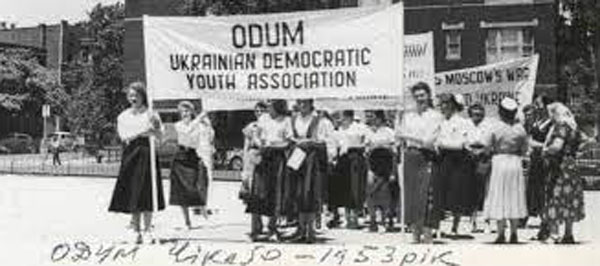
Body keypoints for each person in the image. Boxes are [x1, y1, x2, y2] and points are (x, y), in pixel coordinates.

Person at [108, 82, 165, 244]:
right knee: (134, 191)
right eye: (131, 95)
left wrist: (155, 128)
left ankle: (147, 229)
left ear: (143, 96)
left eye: (136, 95)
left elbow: (160, 137)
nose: (133, 98)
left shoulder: (152, 114)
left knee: (147, 191)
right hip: (131, 155)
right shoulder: (123, 116)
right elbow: (125, 136)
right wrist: (144, 132)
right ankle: (135, 229)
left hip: (147, 154)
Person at [395, 82, 443, 243]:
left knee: (427, 196)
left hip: (427, 157)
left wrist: (407, 136)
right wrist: (398, 117)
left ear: (428, 95)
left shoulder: (435, 116)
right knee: (411, 195)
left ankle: (428, 234)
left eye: (422, 95)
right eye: (416, 96)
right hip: (410, 157)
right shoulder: (408, 116)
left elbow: (428, 141)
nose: (419, 99)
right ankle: (415, 234)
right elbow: (398, 136)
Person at [285, 99, 333, 243]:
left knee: (310, 192)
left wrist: (312, 142)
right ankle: (300, 229)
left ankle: (311, 230)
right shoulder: (293, 119)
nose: (302, 105)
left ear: (311, 103)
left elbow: (328, 141)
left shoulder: (320, 121)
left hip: (312, 159)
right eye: (300, 102)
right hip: (296, 156)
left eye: (305, 102)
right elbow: (288, 136)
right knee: (297, 191)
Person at [482, 97, 529, 244]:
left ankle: (501, 233)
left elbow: (486, 146)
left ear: (501, 111)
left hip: (499, 162)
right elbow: (525, 149)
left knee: (499, 196)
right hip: (515, 162)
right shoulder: (520, 129)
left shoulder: (495, 127)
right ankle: (514, 233)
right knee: (514, 196)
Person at [247, 99, 292, 241]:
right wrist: (260, 143)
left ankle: (272, 228)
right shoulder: (263, 118)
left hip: (278, 157)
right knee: (259, 191)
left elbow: (289, 141)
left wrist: (277, 144)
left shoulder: (286, 120)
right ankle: (256, 228)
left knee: (275, 192)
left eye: (271, 104)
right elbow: (255, 135)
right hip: (263, 155)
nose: (268, 107)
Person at [432, 93, 477, 237]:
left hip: (458, 161)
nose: (442, 107)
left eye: (445, 104)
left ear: (452, 105)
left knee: (456, 193)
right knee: (439, 193)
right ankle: (436, 227)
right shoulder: (440, 122)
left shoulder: (464, 122)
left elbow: (463, 143)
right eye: (441, 104)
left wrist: (443, 143)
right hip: (442, 159)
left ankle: (454, 227)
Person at [541, 102, 585, 244]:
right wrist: (574, 152)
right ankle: (568, 234)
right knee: (570, 199)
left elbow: (557, 146)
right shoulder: (574, 128)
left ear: (555, 114)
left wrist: (545, 150)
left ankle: (554, 234)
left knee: (555, 197)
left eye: (551, 115)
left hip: (559, 167)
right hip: (572, 166)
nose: (550, 118)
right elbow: (587, 141)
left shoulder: (561, 127)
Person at [168, 100, 210, 229]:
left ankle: (201, 205)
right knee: (181, 190)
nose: (185, 113)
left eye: (187, 111)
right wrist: (199, 118)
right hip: (180, 156)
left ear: (191, 112)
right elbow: (186, 131)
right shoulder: (178, 125)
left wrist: (207, 124)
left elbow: (206, 139)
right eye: (182, 111)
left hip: (193, 156)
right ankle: (187, 221)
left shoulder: (199, 125)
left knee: (195, 186)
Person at [328, 110, 369, 229]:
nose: (340, 119)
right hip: (342, 159)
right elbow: (334, 146)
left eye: (342, 117)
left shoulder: (360, 127)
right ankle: (347, 217)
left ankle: (355, 217)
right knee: (344, 188)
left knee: (355, 188)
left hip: (355, 157)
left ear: (349, 116)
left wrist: (357, 148)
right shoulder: (338, 130)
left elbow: (366, 142)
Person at [525, 95, 553, 240]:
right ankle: (543, 227)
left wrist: (534, 144)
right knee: (535, 193)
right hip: (534, 161)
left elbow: (550, 145)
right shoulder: (536, 121)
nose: (536, 106)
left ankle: (547, 226)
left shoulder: (551, 123)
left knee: (544, 193)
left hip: (544, 161)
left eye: (538, 104)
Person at [365, 110, 396, 233]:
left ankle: (385, 220)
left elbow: (394, 153)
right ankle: (373, 220)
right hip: (372, 164)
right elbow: (366, 152)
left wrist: (393, 171)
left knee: (384, 194)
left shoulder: (389, 132)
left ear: (380, 118)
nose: (372, 119)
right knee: (370, 192)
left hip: (386, 164)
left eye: (374, 117)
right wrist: (368, 169)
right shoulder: (369, 132)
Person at [465, 103, 495, 233]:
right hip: (469, 157)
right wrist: (470, 150)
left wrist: (482, 151)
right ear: (470, 114)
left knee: (486, 191)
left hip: (484, 158)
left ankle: (487, 221)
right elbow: (463, 141)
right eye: (475, 114)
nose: (477, 117)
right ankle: (472, 221)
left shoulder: (489, 125)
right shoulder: (466, 125)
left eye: (480, 114)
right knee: (472, 191)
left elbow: (491, 143)